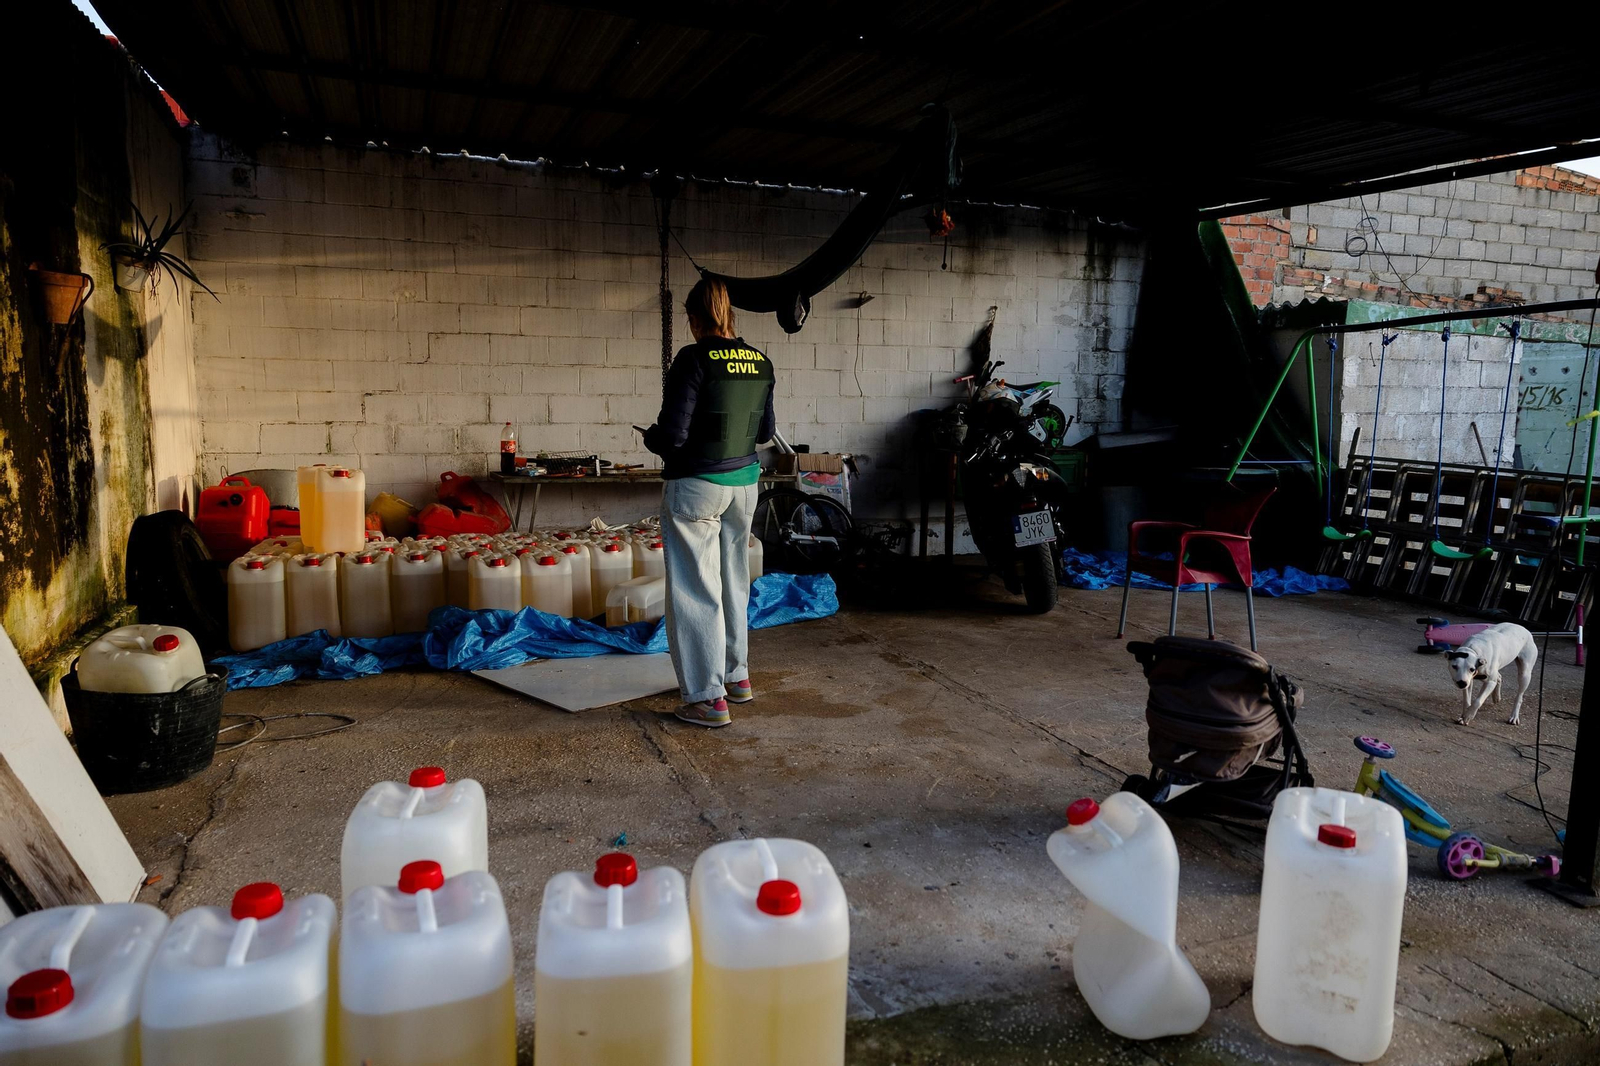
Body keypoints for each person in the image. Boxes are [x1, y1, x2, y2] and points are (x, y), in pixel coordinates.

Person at [642, 278, 776, 727]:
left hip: (698, 485)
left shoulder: (692, 358)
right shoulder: (759, 360)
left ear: (694, 319)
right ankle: (737, 679)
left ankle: (706, 697)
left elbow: (674, 435)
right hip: (745, 484)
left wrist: (653, 440)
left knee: (695, 589)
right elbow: (762, 432)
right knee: (733, 580)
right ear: (730, 316)